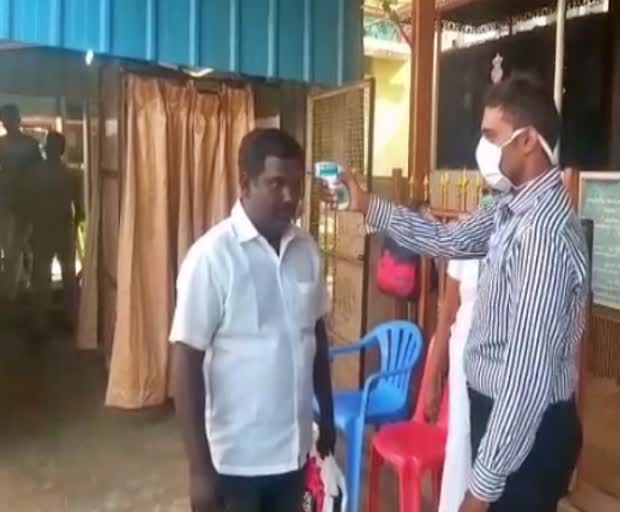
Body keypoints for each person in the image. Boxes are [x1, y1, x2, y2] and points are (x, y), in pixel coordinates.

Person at [323, 72, 588, 512]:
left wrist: (480, 490)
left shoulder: (543, 234)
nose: (482, 148)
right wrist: (368, 204)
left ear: (527, 141)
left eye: (491, 135)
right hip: (502, 417)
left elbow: (526, 377)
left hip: (528, 427)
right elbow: (445, 241)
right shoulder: (510, 208)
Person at [170, 128, 336, 512]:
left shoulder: (307, 251)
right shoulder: (212, 258)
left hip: (292, 455)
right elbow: (185, 363)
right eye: (276, 184)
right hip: (235, 464)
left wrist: (325, 415)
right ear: (245, 184)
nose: (290, 197)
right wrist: (199, 470)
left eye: (296, 185)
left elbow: (317, 338)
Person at [426, 194, 493, 512]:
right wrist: (433, 379)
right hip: (464, 354)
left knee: (492, 445)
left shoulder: (523, 236)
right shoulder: (467, 238)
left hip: (503, 359)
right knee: (462, 438)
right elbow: (447, 312)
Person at [26, 131, 81, 336]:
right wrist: (75, 226)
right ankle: (71, 319)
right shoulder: (71, 174)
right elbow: (79, 207)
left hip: (42, 227)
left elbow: (27, 204)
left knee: (41, 276)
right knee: (68, 276)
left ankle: (39, 322)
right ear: (62, 149)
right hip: (63, 227)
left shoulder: (34, 173)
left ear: (47, 147)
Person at [0, 104, 42, 302]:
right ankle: (17, 287)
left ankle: (15, 291)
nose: (6, 122)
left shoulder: (29, 144)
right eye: (3, 119)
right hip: (7, 201)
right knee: (13, 247)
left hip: (23, 202)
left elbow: (37, 173)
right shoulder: (4, 144)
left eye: (8, 118)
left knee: (18, 247)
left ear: (17, 119)